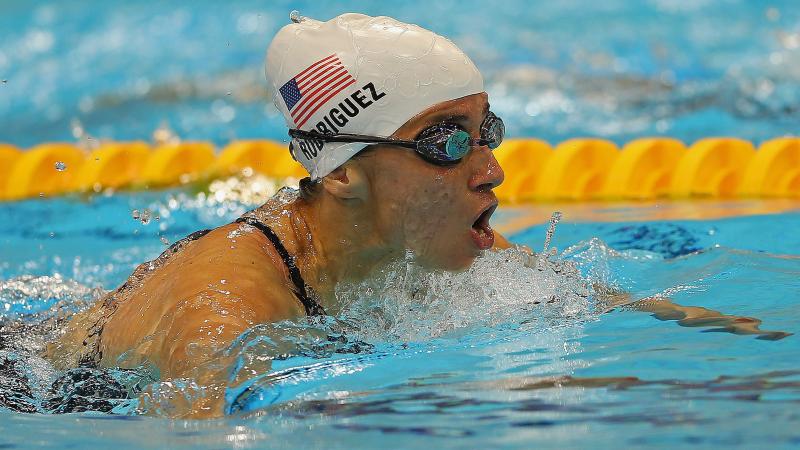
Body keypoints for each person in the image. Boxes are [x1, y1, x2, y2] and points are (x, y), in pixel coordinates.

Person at [44, 12, 788, 418]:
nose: (490, 168)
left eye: (486, 131)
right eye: (445, 142)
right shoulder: (230, 307)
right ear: (342, 177)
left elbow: (603, 303)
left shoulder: (424, 244)